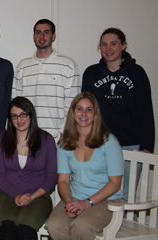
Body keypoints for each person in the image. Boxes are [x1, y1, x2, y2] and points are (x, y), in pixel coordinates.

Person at [81, 28, 155, 203]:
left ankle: (128, 227)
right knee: (99, 193)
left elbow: (145, 110)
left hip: (131, 144)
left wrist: (147, 145)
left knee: (126, 195)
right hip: (100, 144)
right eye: (104, 44)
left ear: (124, 45)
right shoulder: (91, 73)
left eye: (113, 44)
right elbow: (84, 111)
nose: (108, 48)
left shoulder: (137, 73)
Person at [46, 92, 123, 240]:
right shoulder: (64, 143)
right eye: (79, 109)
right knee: (54, 225)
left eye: (89, 109)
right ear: (73, 113)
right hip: (75, 197)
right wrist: (69, 203)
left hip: (107, 201)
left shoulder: (109, 142)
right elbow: (63, 181)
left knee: (82, 226)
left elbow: (115, 184)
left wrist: (87, 203)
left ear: (95, 114)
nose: (84, 114)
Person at [0, 97, 57, 240]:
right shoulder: (3, 139)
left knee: (26, 228)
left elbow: (51, 176)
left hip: (38, 196)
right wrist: (17, 195)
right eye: (14, 116)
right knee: (7, 226)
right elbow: (0, 175)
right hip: (8, 194)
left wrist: (31, 196)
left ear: (30, 115)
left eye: (23, 114)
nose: (19, 119)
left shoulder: (46, 140)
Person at [12, 19, 81, 141]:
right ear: (34, 37)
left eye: (46, 32)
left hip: (57, 138)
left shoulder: (68, 65)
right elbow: (15, 102)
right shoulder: (22, 66)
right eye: (38, 32)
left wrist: (64, 131)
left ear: (53, 36)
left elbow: (73, 103)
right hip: (27, 137)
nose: (42, 36)